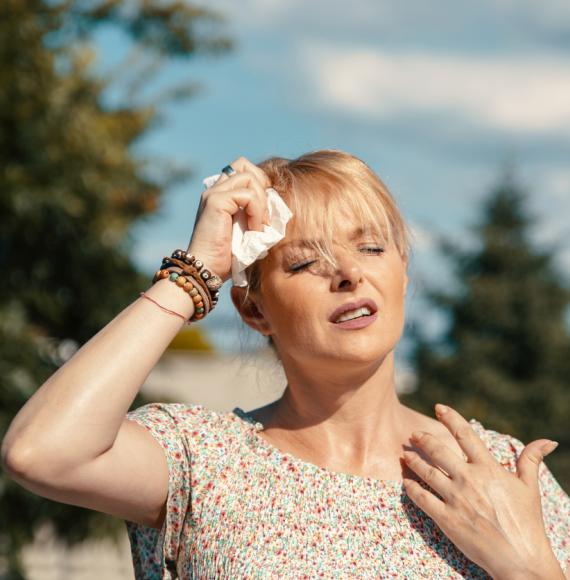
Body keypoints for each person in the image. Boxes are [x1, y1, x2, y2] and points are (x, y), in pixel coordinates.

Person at [2, 151, 569, 579]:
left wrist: (528, 567)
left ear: (403, 275)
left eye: (371, 248)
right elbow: (40, 451)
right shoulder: (206, 460)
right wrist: (195, 271)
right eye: (304, 263)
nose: (348, 273)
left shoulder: (497, 469)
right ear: (255, 310)